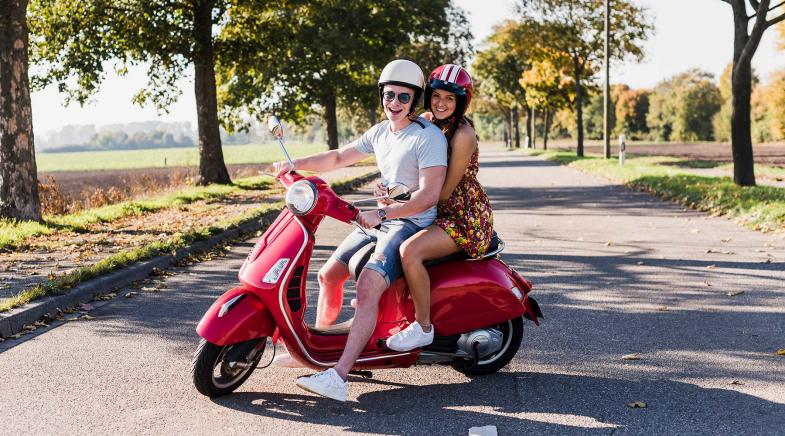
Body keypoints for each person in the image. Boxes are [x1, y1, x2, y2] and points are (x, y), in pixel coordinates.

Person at [271, 59, 448, 402]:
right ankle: (314, 355)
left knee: (367, 286)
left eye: (403, 97)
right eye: (388, 95)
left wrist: (383, 212)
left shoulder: (428, 138)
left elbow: (428, 196)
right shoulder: (381, 131)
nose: (394, 103)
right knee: (328, 275)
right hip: (383, 219)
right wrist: (296, 164)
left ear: (415, 100)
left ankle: (339, 375)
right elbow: (338, 157)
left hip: (408, 223)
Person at [384, 64, 494, 352]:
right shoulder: (425, 120)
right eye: (436, 96)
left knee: (410, 250)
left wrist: (406, 201)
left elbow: (443, 190)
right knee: (386, 239)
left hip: (461, 216)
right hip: (433, 207)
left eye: (450, 98)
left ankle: (423, 327)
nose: (441, 103)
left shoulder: (463, 134)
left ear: (461, 102)